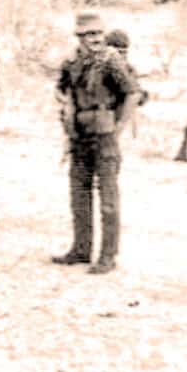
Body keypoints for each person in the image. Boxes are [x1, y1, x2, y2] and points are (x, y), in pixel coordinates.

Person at [52, 14, 140, 275]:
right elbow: (60, 88)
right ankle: (81, 249)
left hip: (104, 135)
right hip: (79, 134)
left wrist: (119, 127)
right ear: (79, 37)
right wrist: (64, 103)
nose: (96, 39)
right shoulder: (71, 62)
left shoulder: (111, 61)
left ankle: (108, 256)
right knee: (79, 194)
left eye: (99, 34)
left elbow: (132, 93)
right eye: (89, 35)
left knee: (108, 199)